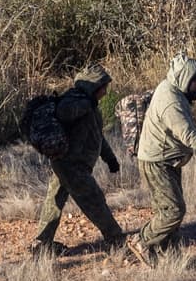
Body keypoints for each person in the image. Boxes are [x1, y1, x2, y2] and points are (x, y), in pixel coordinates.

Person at [126, 53, 196, 267]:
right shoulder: (171, 101)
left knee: (168, 210)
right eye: (195, 81)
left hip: (167, 160)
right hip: (158, 162)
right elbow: (188, 135)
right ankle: (141, 240)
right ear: (184, 78)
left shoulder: (173, 89)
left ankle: (169, 257)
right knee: (174, 210)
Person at [30, 64, 125, 257]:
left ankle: (42, 243)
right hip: (72, 166)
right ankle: (116, 240)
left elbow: (97, 135)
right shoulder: (77, 102)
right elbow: (64, 113)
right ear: (94, 87)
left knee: (54, 202)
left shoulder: (88, 104)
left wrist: (110, 158)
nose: (105, 92)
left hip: (66, 163)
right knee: (94, 200)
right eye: (103, 87)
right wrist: (86, 104)